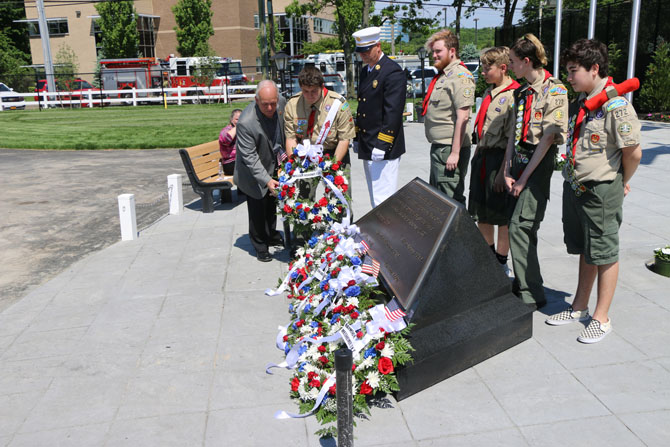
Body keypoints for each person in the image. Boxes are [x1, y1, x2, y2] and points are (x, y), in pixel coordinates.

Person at [545, 39, 642, 343]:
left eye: (574, 71)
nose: (569, 77)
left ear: (594, 68)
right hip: (578, 188)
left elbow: (633, 152)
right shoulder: (585, 102)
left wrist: (622, 180)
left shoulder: (615, 106)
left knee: (604, 252)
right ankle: (579, 306)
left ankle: (602, 317)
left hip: (601, 190)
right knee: (587, 249)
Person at [502, 33, 568, 309]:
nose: (510, 66)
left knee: (521, 226)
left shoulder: (555, 90)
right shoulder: (521, 92)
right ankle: (522, 282)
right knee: (518, 227)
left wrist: (524, 178)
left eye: (514, 62)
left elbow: (548, 140)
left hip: (537, 164)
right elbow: (513, 134)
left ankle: (531, 294)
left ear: (527, 61)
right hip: (518, 160)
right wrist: (506, 169)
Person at [468, 47, 520, 277]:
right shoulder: (491, 92)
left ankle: (501, 261)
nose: (484, 72)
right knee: (482, 212)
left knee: (501, 215)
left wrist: (503, 171)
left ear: (503, 68)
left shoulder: (513, 94)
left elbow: (511, 137)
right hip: (483, 156)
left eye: (488, 68)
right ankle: (488, 258)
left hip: (499, 159)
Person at [352, 26, 406, 208]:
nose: (364, 56)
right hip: (368, 143)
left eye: (367, 51)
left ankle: (387, 235)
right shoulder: (366, 71)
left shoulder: (392, 71)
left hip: (383, 146)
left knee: (384, 198)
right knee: (375, 196)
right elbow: (363, 107)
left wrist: (383, 143)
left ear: (378, 46)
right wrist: (358, 136)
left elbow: (393, 112)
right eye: (361, 52)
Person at [234, 80, 286, 262]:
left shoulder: (281, 103)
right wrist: (266, 179)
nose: (271, 107)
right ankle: (260, 245)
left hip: (274, 162)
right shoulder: (246, 123)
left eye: (274, 102)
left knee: (271, 204)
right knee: (257, 207)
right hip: (252, 172)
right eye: (265, 104)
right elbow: (250, 158)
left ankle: (271, 233)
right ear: (256, 100)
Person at [284, 65, 355, 197]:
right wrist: (294, 165)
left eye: (314, 91)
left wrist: (331, 167)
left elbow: (344, 140)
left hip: (334, 153)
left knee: (340, 200)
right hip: (305, 156)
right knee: (302, 201)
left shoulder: (338, 104)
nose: (309, 96)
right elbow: (291, 138)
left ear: (322, 86)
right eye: (305, 91)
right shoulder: (292, 105)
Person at [422, 29, 475, 204]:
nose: (434, 56)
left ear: (452, 51)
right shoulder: (446, 76)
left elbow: (463, 117)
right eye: (433, 52)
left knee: (450, 201)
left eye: (438, 51)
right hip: (440, 148)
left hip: (449, 149)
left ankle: (460, 232)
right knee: (438, 202)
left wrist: (455, 152)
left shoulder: (460, 76)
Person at [219, 108, 242, 176]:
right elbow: (226, 140)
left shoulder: (243, 130)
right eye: (237, 119)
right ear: (232, 120)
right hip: (230, 163)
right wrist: (237, 126)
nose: (240, 121)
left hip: (240, 161)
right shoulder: (225, 131)